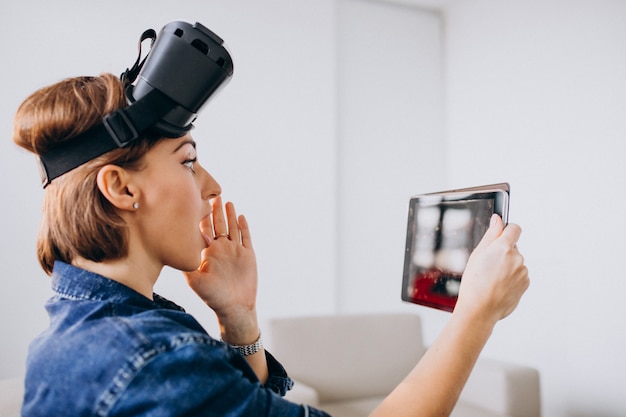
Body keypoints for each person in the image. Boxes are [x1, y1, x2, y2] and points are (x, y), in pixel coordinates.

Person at [13, 24, 529, 417]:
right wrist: (476, 312)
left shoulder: (93, 327)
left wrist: (239, 319)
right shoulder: (149, 356)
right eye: (187, 161)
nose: (211, 187)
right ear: (122, 188)